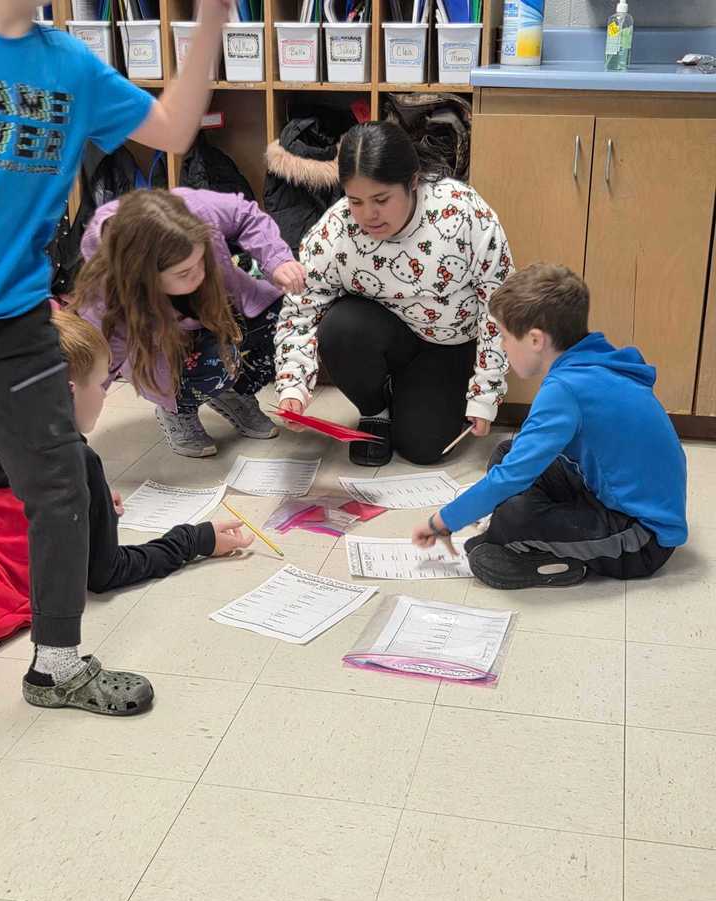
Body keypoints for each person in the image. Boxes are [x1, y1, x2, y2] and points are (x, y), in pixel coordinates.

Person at [0, 0, 231, 714]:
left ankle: (57, 666)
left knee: (62, 488)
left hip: (15, 314)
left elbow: (171, 129)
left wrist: (211, 24)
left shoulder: (69, 64)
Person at [0, 310, 254, 686]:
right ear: (70, 392)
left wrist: (89, 507)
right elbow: (107, 573)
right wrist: (197, 539)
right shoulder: (77, 462)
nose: (105, 396)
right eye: (102, 384)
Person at [412, 263, 688, 589]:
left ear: (534, 339)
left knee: (501, 535)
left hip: (641, 537)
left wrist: (442, 522)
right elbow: (518, 464)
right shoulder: (594, 359)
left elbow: (513, 476)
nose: (501, 347)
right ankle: (525, 531)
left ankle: (554, 560)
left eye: (503, 336)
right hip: (606, 491)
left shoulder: (565, 390)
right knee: (507, 451)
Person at [274, 119, 513, 467]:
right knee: (340, 328)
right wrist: (292, 385)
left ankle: (413, 397)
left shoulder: (461, 212)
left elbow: (500, 302)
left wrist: (486, 392)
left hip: (448, 343)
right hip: (381, 334)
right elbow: (301, 310)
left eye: (381, 199)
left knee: (423, 448)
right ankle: (376, 409)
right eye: (355, 200)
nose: (368, 215)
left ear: (413, 182)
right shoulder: (337, 228)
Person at [77, 187, 305, 458]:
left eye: (202, 260)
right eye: (184, 272)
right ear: (143, 276)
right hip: (167, 349)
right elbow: (97, 366)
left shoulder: (194, 208)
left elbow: (246, 215)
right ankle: (178, 411)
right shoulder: (107, 291)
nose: (199, 274)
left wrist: (277, 260)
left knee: (286, 319)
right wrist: (70, 437)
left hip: (220, 311)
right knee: (216, 364)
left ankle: (235, 393)